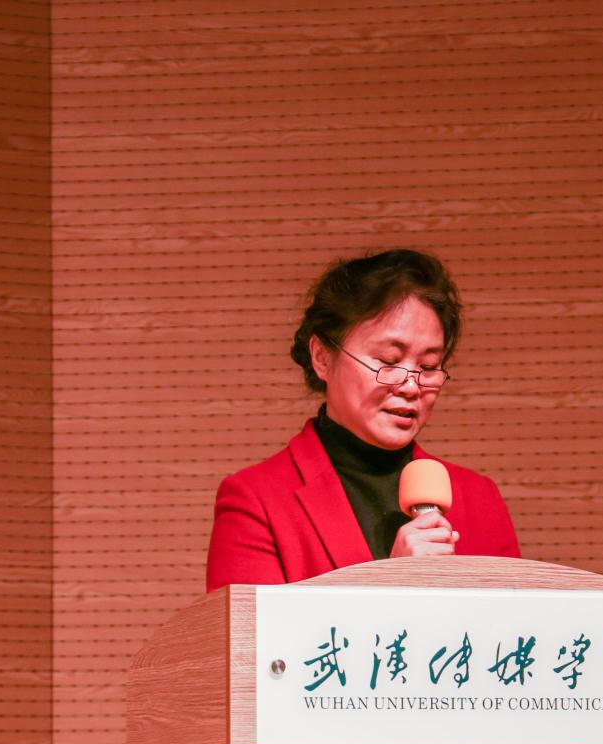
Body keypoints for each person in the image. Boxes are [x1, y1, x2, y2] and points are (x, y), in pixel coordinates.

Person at [205, 249, 520, 591]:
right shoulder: (257, 500)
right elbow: (251, 627)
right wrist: (390, 584)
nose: (410, 386)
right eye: (389, 361)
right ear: (322, 357)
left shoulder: (479, 498)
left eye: (428, 367)